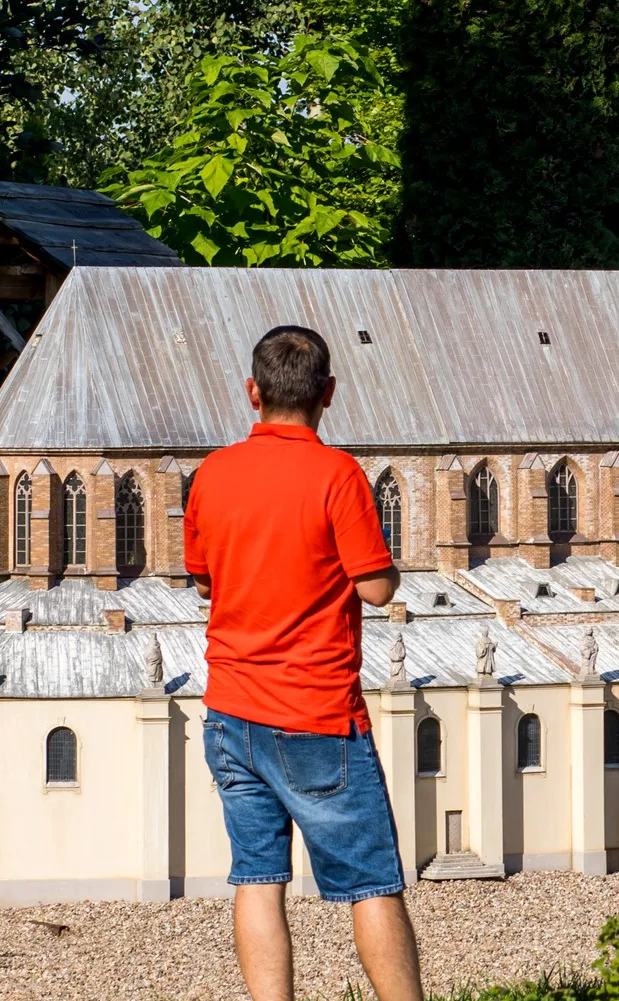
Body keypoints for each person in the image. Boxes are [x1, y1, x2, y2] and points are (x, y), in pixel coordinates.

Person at [185, 325, 421, 1001]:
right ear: (329, 394)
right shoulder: (337, 473)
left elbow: (203, 579)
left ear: (252, 392)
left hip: (231, 712)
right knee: (371, 884)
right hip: (316, 717)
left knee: (257, 878)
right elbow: (375, 585)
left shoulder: (213, 473)